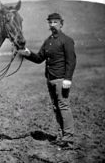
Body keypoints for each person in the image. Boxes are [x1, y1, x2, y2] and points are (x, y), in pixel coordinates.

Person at [19, 13, 77, 150]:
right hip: (50, 79)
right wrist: (28, 53)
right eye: (50, 22)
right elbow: (39, 58)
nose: (52, 25)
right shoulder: (48, 41)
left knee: (63, 106)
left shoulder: (67, 40)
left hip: (61, 80)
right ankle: (62, 136)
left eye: (55, 22)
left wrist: (68, 78)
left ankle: (68, 139)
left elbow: (71, 61)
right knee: (56, 108)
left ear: (61, 24)